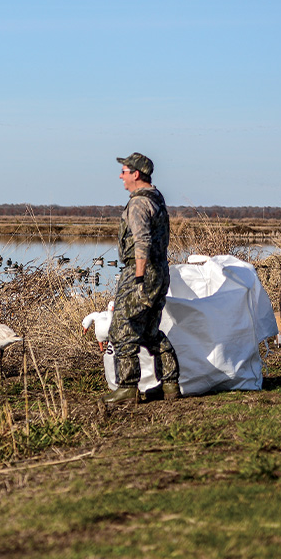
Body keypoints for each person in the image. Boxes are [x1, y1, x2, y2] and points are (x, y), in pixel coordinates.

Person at [103, 152, 181, 405]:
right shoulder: (157, 198)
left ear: (136, 174)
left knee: (122, 329)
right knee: (149, 330)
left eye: (124, 171)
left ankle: (127, 387)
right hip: (160, 271)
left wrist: (137, 280)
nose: (120, 176)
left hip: (142, 272)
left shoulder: (138, 203)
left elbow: (142, 241)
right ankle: (170, 384)